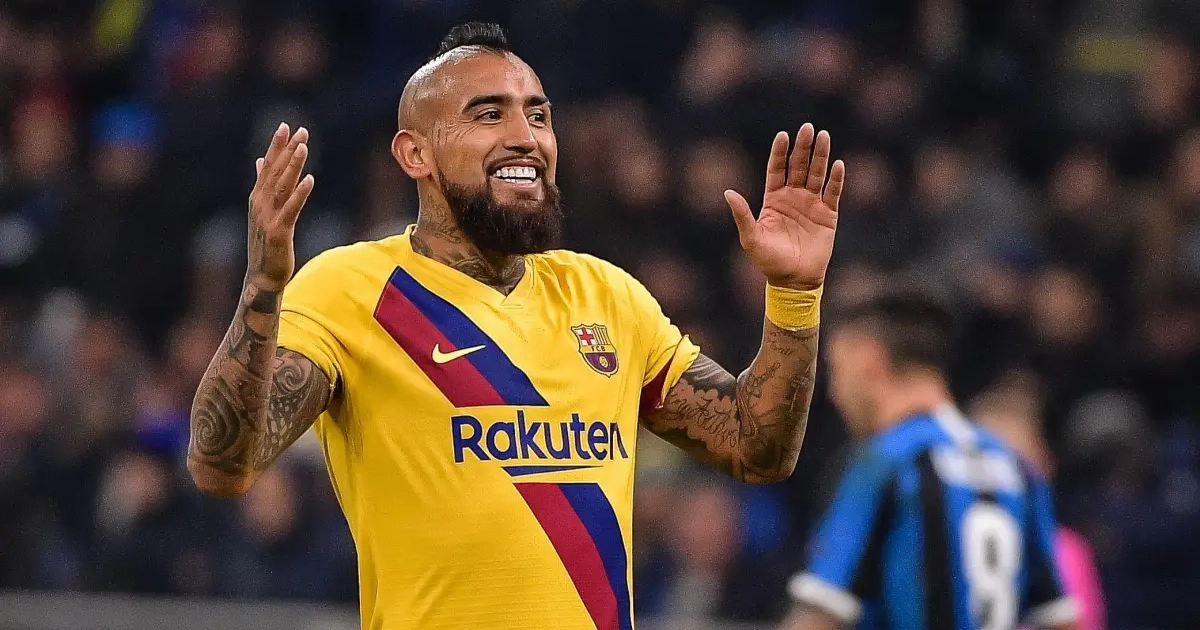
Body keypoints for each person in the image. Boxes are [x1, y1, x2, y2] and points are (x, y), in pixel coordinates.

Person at [187, 22, 846, 630]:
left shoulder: (607, 296)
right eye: (488, 114)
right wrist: (263, 288)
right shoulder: (348, 288)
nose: (526, 135)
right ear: (415, 153)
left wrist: (793, 295)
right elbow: (222, 466)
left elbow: (756, 448)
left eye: (538, 114)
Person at [781, 287, 1079, 630]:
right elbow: (1061, 619)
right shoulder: (1014, 467)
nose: (835, 393)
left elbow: (820, 614)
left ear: (868, 361)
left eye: (836, 370)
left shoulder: (889, 462)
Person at [971, 375, 1107, 630]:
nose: (1002, 481)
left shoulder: (1066, 553)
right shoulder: (943, 543)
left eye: (1017, 464)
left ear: (1045, 464)